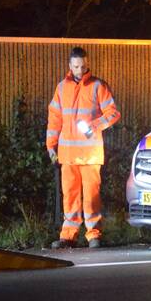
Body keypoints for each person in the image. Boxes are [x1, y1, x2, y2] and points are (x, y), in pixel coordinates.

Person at [46, 46, 121, 248]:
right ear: (70, 66)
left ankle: (93, 235)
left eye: (83, 66)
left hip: (89, 154)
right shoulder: (62, 88)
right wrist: (51, 146)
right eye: (76, 66)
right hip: (68, 154)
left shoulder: (98, 86)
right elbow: (54, 119)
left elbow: (113, 113)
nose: (80, 70)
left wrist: (94, 125)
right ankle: (68, 236)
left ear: (87, 64)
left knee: (91, 197)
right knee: (70, 196)